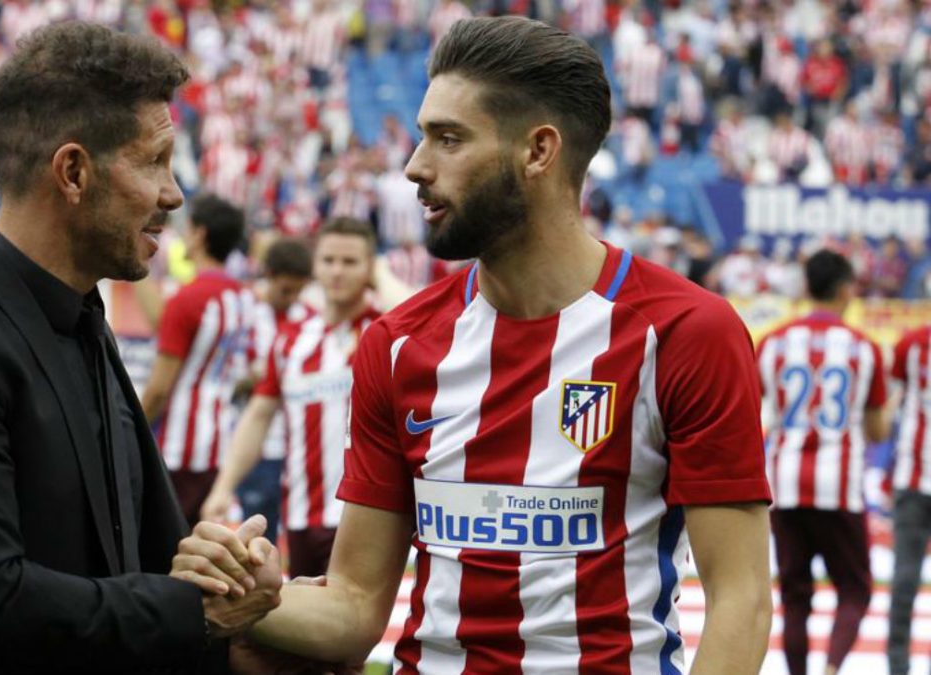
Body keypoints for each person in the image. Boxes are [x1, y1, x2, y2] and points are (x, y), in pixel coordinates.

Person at [229, 18, 774, 672]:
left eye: (448, 139)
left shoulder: (688, 334)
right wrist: (250, 596)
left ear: (538, 151)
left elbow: (740, 599)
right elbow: (353, 605)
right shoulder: (397, 345)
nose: (414, 166)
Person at [0, 23, 280, 675]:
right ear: (74, 171)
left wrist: (222, 583)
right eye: (154, 160)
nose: (174, 193)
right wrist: (191, 611)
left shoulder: (85, 318)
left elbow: (142, 561)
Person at [202, 218, 381, 577]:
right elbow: (258, 415)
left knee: (350, 629)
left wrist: (383, 278)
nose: (337, 272)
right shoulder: (292, 339)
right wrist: (223, 488)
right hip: (300, 514)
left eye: (350, 262)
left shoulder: (385, 331)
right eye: (329, 260)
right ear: (315, 265)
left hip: (360, 517)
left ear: (370, 268)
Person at [757, 249, 886, 675]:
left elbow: (756, 415)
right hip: (840, 485)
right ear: (846, 288)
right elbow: (877, 430)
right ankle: (831, 668)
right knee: (855, 588)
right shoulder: (863, 348)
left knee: (795, 597)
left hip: (785, 482)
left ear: (807, 287)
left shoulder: (772, 343)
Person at [140, 193, 254, 527]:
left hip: (179, 449)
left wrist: (135, 432)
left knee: (164, 554)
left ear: (199, 234)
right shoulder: (241, 296)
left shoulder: (187, 299)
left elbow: (159, 388)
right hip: (220, 444)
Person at [233, 236, 315, 544]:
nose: (291, 297)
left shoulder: (309, 320)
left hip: (296, 444)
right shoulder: (244, 313)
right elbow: (225, 373)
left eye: (298, 290)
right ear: (269, 276)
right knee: (256, 527)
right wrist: (251, 378)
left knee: (293, 530)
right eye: (285, 289)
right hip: (255, 440)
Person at [888, 321, 931, 674]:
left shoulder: (913, 343)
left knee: (904, 579)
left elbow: (893, 404)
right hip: (912, 477)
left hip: (912, 476)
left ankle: (897, 667)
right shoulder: (911, 343)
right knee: (903, 580)